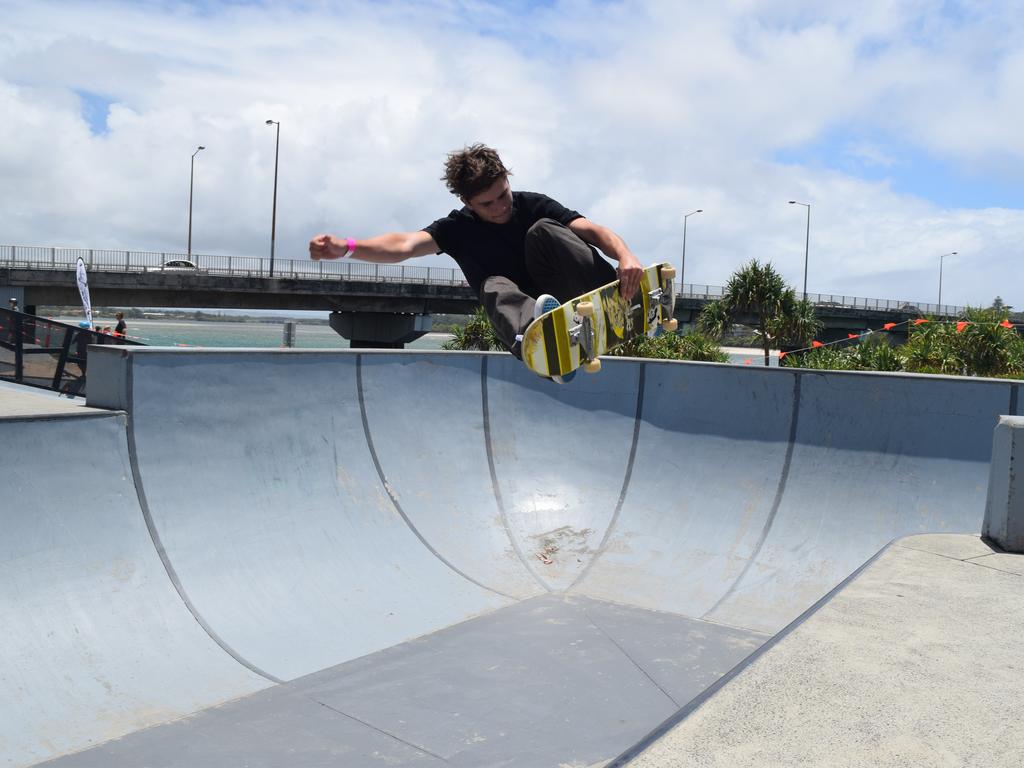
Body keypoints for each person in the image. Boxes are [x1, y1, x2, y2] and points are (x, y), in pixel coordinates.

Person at [309, 143, 643, 359]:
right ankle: (538, 336)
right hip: (533, 318)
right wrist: (348, 247)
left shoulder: (533, 204)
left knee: (545, 230)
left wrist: (625, 256)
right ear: (467, 202)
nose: (501, 207)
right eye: (488, 203)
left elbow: (592, 230)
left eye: (504, 194)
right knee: (493, 284)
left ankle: (610, 301)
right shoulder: (458, 229)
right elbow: (404, 246)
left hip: (579, 293)